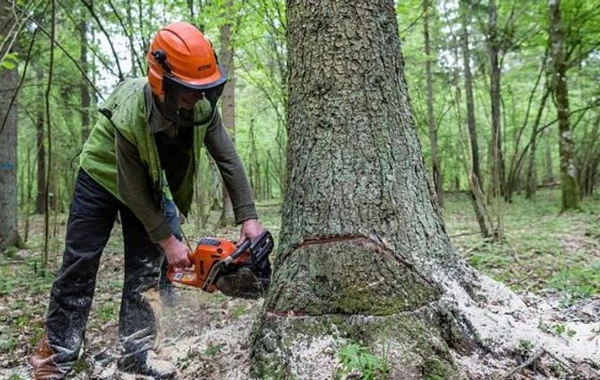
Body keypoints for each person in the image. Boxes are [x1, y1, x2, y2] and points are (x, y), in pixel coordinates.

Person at [30, 21, 263, 380]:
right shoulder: (131, 112)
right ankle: (55, 357)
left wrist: (248, 217)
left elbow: (228, 159)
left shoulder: (201, 109)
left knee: (145, 268)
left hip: (146, 181)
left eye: (204, 90)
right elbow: (131, 185)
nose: (197, 98)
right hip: (102, 176)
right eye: (188, 90)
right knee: (81, 262)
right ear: (162, 84)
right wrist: (167, 238)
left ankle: (136, 352)